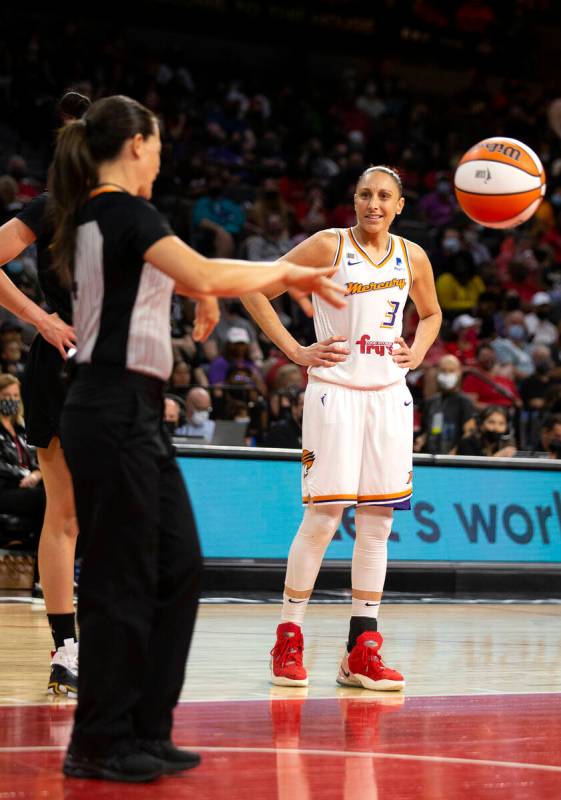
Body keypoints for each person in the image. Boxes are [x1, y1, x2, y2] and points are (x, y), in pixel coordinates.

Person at [48, 93, 344, 783]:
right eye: (157, 144)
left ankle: (145, 729)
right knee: (123, 580)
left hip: (134, 409)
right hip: (111, 403)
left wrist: (201, 292)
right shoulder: (121, 208)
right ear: (137, 147)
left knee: (177, 568)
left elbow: (179, 278)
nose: (162, 156)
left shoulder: (105, 215)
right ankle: (97, 741)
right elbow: (205, 270)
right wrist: (286, 272)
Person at [242, 165, 442, 692]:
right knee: (325, 517)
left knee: (377, 524)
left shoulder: (411, 255)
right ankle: (288, 638)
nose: (373, 203)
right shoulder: (328, 245)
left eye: (384, 196)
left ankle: (362, 650)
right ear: (352, 200)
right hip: (335, 393)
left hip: (389, 397)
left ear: (400, 205)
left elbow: (433, 313)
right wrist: (295, 351)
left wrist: (416, 352)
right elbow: (253, 288)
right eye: (364, 194)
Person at [0, 92, 86, 695]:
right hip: (61, 367)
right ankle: (68, 648)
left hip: (119, 372)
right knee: (67, 513)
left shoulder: (137, 214)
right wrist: (45, 320)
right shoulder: (52, 207)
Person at [0, 375, 45, 541]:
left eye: (15, 396)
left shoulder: (21, 427)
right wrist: (25, 475)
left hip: (27, 486)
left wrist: (38, 474)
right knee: (45, 498)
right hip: (6, 488)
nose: (11, 400)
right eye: (6, 396)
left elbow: (37, 459)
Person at [415, 355, 476, 454]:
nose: (447, 374)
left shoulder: (465, 402)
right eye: (443, 370)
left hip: (454, 461)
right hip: (432, 458)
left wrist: (456, 452)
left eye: (451, 371)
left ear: (459, 373)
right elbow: (433, 429)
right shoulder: (431, 402)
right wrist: (422, 439)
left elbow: (469, 433)